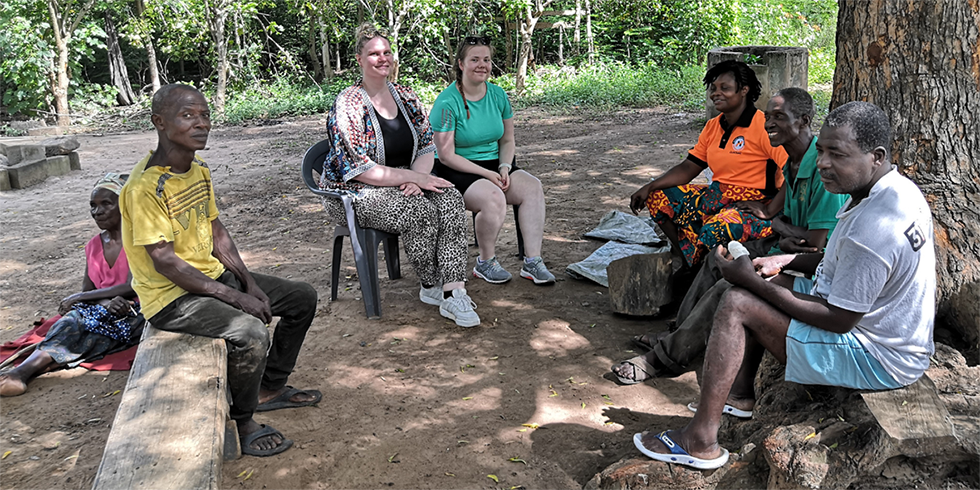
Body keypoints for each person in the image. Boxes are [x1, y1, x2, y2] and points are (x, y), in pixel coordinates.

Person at [632, 102, 936, 470]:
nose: (822, 162)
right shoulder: (894, 191)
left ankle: (700, 441)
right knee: (756, 281)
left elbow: (839, 319)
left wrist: (753, 284)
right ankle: (740, 395)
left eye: (837, 154)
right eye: (821, 151)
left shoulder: (874, 227)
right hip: (882, 330)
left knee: (740, 301)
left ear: (876, 156)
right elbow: (837, 262)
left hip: (880, 358)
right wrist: (784, 261)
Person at [120, 83, 321, 457]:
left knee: (301, 297)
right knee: (250, 332)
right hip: (171, 298)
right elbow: (164, 260)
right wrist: (234, 297)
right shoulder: (145, 187)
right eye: (188, 116)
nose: (201, 123)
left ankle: (270, 388)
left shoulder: (198, 170)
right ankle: (242, 422)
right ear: (159, 123)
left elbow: (215, 230)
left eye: (205, 115)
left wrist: (248, 283)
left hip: (209, 278)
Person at [612, 88, 848, 384]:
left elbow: (815, 246)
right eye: (768, 117)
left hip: (809, 268)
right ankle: (678, 332)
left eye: (778, 117)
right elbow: (782, 206)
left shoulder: (820, 169)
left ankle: (664, 358)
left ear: (803, 120)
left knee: (731, 280)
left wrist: (777, 227)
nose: (769, 123)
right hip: (787, 245)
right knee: (718, 257)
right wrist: (773, 219)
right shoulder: (794, 159)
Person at [321, 24, 480, 327]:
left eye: (387, 52)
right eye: (374, 54)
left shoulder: (405, 96)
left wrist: (416, 178)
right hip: (352, 191)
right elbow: (359, 168)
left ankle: (453, 289)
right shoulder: (348, 103)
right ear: (359, 59)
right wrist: (414, 181)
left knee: (449, 198)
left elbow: (425, 143)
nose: (382, 59)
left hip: (400, 182)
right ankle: (431, 284)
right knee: (417, 209)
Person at [629, 60, 789, 268]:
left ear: (744, 90)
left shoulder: (762, 125)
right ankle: (690, 263)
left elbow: (794, 172)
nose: (716, 93)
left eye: (725, 88)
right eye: (713, 88)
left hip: (755, 202)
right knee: (658, 197)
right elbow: (689, 168)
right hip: (717, 196)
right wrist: (649, 186)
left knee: (716, 229)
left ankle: (701, 268)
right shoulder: (713, 126)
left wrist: (769, 210)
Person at [0, 173, 143, 397]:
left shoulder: (139, 238)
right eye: (93, 206)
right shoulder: (94, 245)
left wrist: (77, 298)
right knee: (80, 328)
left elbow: (131, 286)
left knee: (80, 324)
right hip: (102, 306)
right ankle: (23, 373)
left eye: (106, 203)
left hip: (135, 308)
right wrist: (102, 301)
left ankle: (21, 372)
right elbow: (89, 290)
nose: (98, 211)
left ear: (125, 204)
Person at [429, 35, 555, 285]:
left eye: (486, 59)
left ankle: (533, 261)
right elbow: (445, 154)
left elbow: (507, 140)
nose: (482, 65)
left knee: (533, 187)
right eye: (474, 59)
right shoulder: (446, 102)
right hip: (454, 168)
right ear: (461, 64)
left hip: (495, 165)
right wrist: (487, 175)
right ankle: (486, 262)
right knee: (493, 197)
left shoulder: (498, 96)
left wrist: (505, 167)